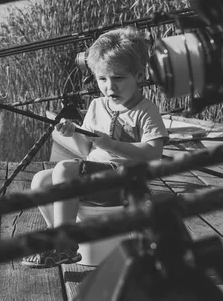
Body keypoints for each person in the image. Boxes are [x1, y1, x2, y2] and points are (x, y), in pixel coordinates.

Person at [21, 27, 168, 269]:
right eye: (102, 79)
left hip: (125, 182)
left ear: (139, 76)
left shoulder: (145, 110)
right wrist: (73, 132)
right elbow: (85, 152)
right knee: (40, 181)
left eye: (119, 78)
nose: (110, 87)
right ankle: (59, 237)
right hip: (97, 176)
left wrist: (110, 144)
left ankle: (64, 244)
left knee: (65, 169)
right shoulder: (97, 106)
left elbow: (153, 153)